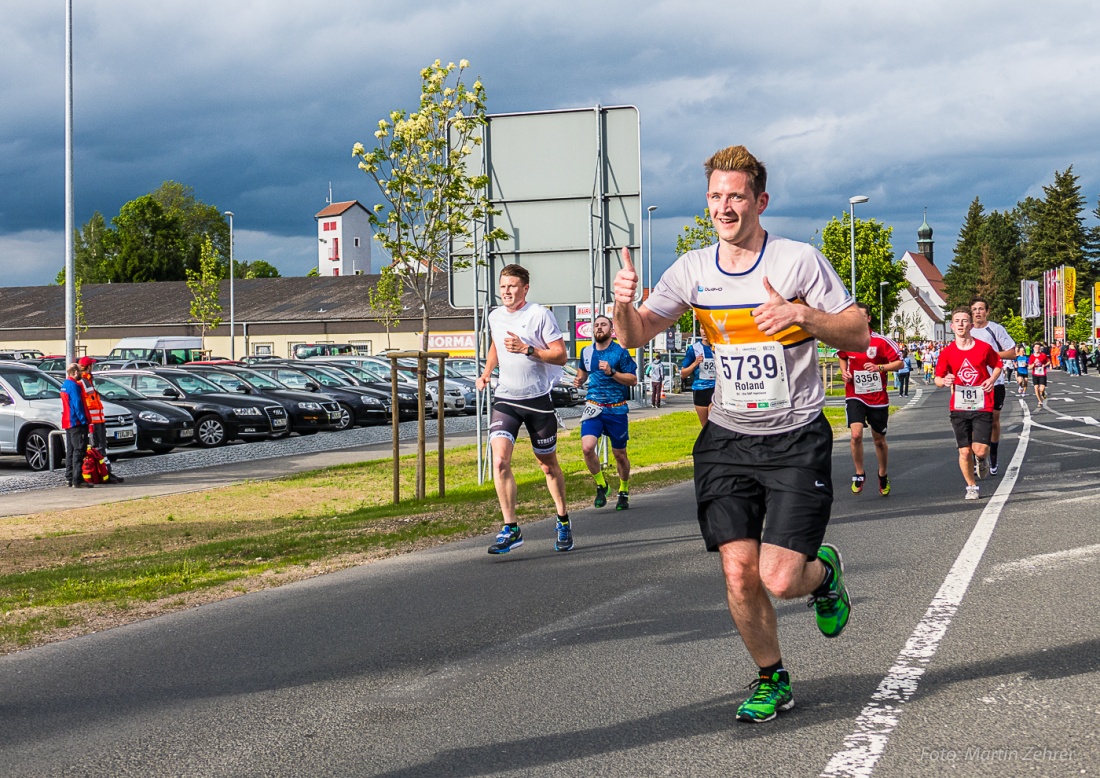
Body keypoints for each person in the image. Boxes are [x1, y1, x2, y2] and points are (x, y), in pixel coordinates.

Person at [611, 145, 869, 723]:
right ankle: (771, 677)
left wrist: (805, 317)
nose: (724, 207)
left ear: (760, 201)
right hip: (727, 438)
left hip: (795, 436)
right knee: (737, 570)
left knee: (780, 578)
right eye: (715, 196)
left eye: (736, 196)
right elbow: (637, 335)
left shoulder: (797, 262)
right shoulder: (692, 270)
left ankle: (822, 572)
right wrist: (624, 305)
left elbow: (857, 332)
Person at [476, 264, 572, 554]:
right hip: (505, 399)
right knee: (500, 461)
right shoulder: (494, 316)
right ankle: (511, 528)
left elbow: (561, 356)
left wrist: (528, 349)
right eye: (503, 286)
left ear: (525, 289)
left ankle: (563, 520)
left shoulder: (539, 314)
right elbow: (496, 344)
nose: (506, 291)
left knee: (547, 466)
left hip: (537, 401)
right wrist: (486, 371)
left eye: (512, 286)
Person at [934, 308, 1001, 500]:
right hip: (959, 406)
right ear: (952, 326)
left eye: (965, 321)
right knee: (964, 451)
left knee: (979, 449)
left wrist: (992, 379)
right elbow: (938, 378)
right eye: (957, 321)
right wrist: (944, 381)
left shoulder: (983, 348)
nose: (961, 324)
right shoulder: (947, 352)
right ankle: (971, 487)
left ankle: (982, 459)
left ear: (971, 325)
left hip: (982, 404)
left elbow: (997, 364)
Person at [837, 303, 903, 496]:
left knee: (879, 440)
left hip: (877, 397)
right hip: (855, 394)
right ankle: (859, 472)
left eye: (861, 316)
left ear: (868, 318)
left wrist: (879, 368)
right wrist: (844, 372)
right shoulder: (847, 339)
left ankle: (882, 474)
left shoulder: (881, 341)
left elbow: (899, 362)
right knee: (855, 435)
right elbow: (842, 356)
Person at [574, 315, 638, 511]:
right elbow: (583, 375)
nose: (598, 328)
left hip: (616, 408)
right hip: (594, 407)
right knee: (587, 448)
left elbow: (633, 380)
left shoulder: (620, 352)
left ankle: (624, 490)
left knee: (620, 454)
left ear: (611, 330)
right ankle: (602, 485)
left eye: (603, 325)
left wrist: (612, 373)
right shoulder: (586, 351)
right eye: (596, 325)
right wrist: (579, 381)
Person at [969, 298, 1016, 476]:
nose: (978, 312)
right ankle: (979, 457)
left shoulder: (995, 329)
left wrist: (989, 354)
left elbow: (1011, 352)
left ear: (987, 311)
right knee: (975, 420)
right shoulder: (967, 331)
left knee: (994, 419)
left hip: (995, 382)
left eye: (981, 309)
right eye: (974, 309)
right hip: (973, 384)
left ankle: (993, 453)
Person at [78, 356, 124, 483]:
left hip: (98, 420)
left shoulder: (88, 380)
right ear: (87, 367)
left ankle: (105, 473)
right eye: (91, 365)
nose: (93, 367)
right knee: (97, 448)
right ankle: (103, 474)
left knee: (101, 448)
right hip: (93, 422)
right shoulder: (82, 381)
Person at [60, 363, 93, 488]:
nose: (82, 373)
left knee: (71, 450)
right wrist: (83, 420)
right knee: (79, 450)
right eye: (80, 371)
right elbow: (77, 404)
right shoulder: (74, 386)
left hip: (68, 421)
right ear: (74, 372)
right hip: (76, 422)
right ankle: (77, 479)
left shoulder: (65, 385)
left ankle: (69, 477)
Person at [681, 332, 716, 426]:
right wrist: (695, 363)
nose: (704, 331)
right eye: (701, 328)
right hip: (700, 390)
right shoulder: (694, 349)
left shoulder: (719, 347)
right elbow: (683, 374)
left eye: (706, 328)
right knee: (705, 428)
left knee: (714, 425)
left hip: (717, 390)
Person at [1029, 343, 1051, 409]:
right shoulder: (1032, 356)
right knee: (1036, 388)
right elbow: (1029, 367)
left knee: (1041, 389)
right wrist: (1034, 364)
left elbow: (1049, 361)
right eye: (1036, 347)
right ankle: (1039, 401)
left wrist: (1045, 365)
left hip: (1042, 373)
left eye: (1038, 347)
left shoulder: (1043, 355)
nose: (1037, 349)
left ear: (1040, 348)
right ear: (1033, 349)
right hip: (1035, 374)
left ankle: (1043, 393)